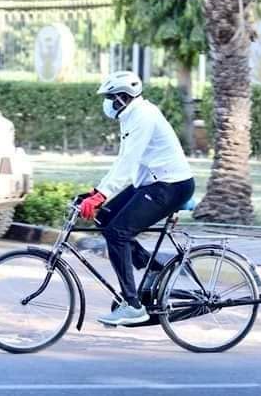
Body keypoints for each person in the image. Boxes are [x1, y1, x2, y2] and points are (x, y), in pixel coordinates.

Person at [79, 71, 195, 326]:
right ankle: (154, 269)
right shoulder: (131, 116)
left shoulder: (142, 115)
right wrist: (96, 194)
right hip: (155, 183)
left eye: (109, 97)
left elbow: (129, 162)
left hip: (170, 186)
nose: (107, 103)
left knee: (118, 233)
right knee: (106, 218)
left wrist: (101, 195)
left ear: (122, 97)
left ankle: (132, 306)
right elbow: (123, 162)